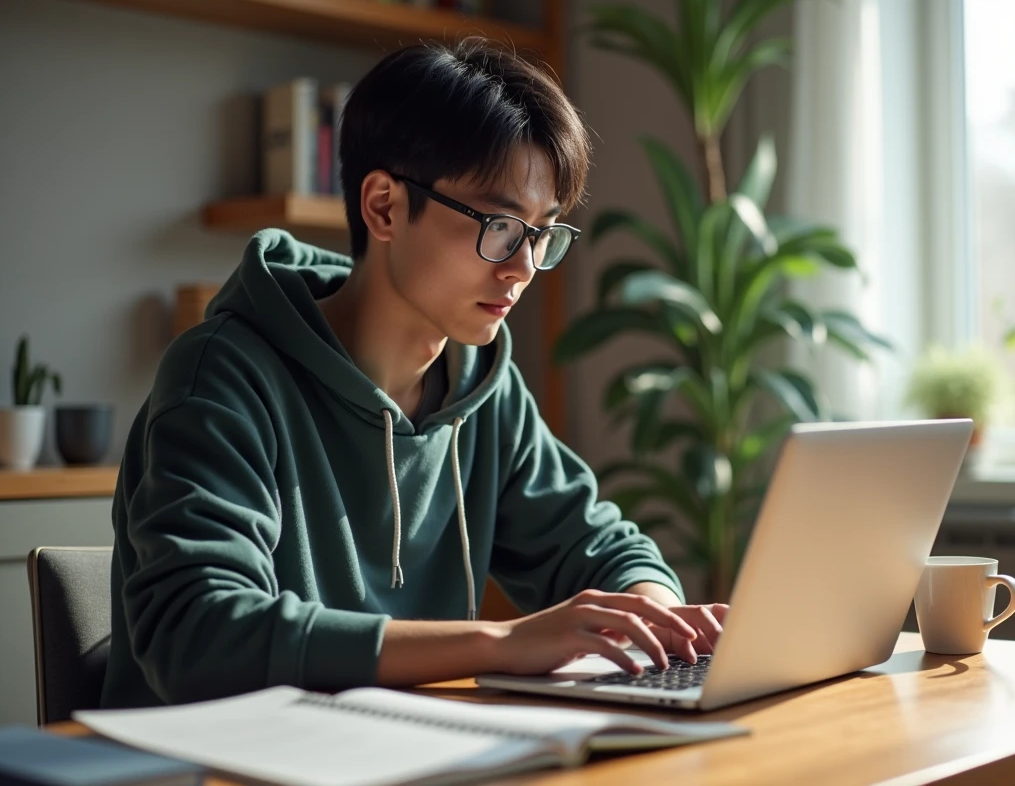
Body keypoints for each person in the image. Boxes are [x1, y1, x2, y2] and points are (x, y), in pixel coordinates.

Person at [100, 37, 727, 709]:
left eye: (541, 233)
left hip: (400, 753)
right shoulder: (222, 377)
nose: (521, 268)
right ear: (384, 207)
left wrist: (654, 615)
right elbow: (200, 639)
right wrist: (499, 642)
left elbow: (602, 547)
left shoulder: (483, 388)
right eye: (498, 224)